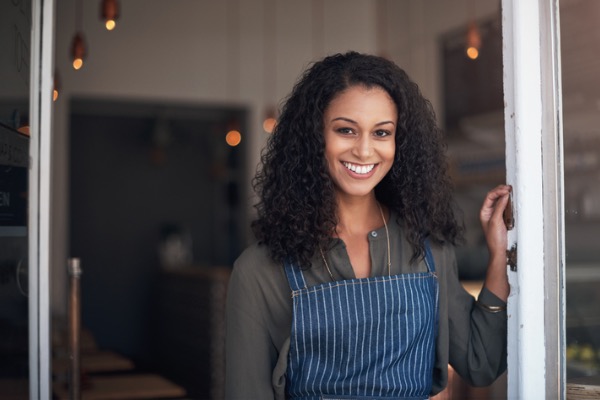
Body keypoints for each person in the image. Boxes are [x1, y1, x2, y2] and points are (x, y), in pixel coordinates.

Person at [225, 51, 510, 400]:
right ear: (314, 137)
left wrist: (499, 256)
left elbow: (481, 362)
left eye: (381, 133)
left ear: (399, 143)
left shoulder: (428, 248)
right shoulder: (259, 271)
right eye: (346, 130)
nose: (364, 150)